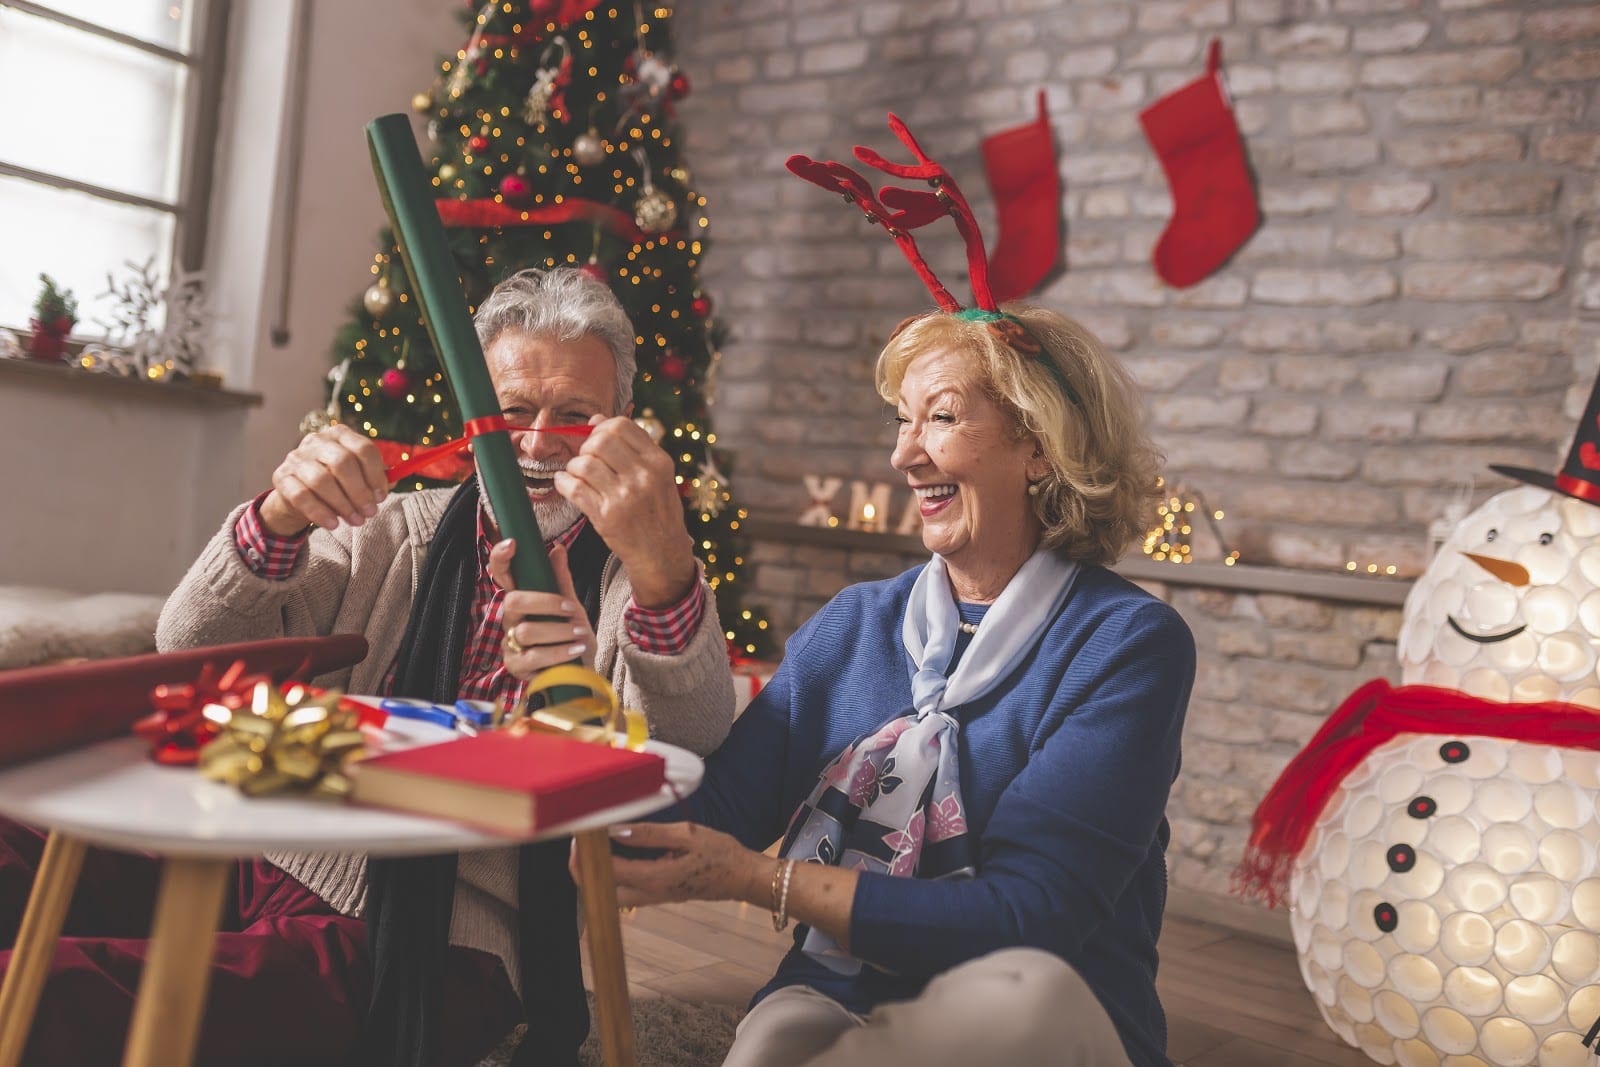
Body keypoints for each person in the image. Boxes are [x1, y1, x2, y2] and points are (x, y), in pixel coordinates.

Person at [0, 267, 734, 1067]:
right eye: (513, 410)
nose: (535, 442)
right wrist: (277, 517)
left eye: (574, 416)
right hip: (258, 848)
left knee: (67, 991)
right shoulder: (392, 530)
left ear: (620, 424)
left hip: (438, 939)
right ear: (471, 415)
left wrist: (653, 581)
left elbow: (689, 734)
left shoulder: (644, 572)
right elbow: (191, 646)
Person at [570, 303, 1195, 1067]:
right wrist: (570, 716)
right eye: (902, 421)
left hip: (1041, 1015)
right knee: (773, 1040)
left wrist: (757, 878)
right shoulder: (856, 623)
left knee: (1023, 996)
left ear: (1039, 445)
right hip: (840, 990)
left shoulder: (1127, 644)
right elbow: (721, 809)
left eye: (940, 417)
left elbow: (1028, 918)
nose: (905, 454)